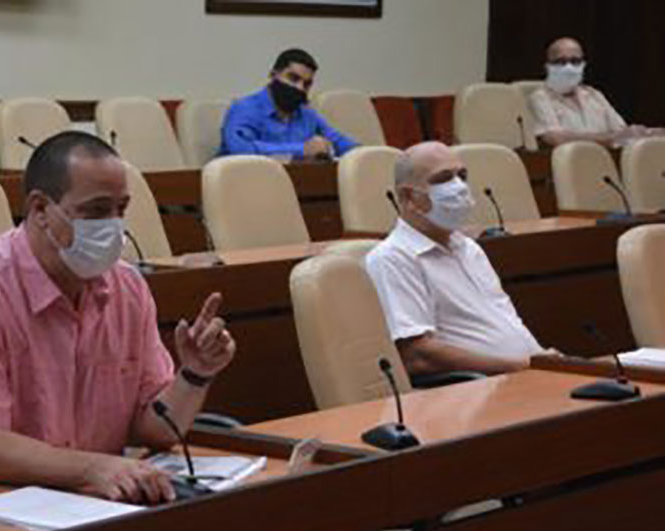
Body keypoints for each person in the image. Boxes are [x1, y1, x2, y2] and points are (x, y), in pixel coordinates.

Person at [0, 132, 236, 503]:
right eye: (96, 211)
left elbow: (156, 430)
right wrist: (94, 467)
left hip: (79, 505)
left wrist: (194, 375)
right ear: (41, 209)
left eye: (120, 209)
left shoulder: (127, 288)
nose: (113, 226)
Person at [366, 142, 548, 378]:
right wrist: (520, 367)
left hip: (530, 376)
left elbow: (505, 321)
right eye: (443, 179)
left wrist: (543, 360)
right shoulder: (392, 258)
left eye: (462, 176)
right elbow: (418, 356)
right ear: (407, 196)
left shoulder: (469, 248)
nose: (459, 187)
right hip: (479, 391)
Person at [218, 47, 358, 161]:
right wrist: (302, 149)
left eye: (307, 84)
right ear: (273, 75)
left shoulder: (306, 114)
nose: (300, 88)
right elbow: (242, 150)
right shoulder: (244, 108)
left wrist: (366, 155)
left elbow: (341, 142)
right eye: (293, 78)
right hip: (242, 186)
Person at [529, 37, 662, 147]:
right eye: (561, 61)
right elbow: (555, 138)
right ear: (547, 67)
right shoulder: (539, 98)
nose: (568, 67)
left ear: (583, 65)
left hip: (605, 166)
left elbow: (621, 131)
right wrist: (611, 138)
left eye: (575, 61)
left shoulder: (594, 95)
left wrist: (646, 133)